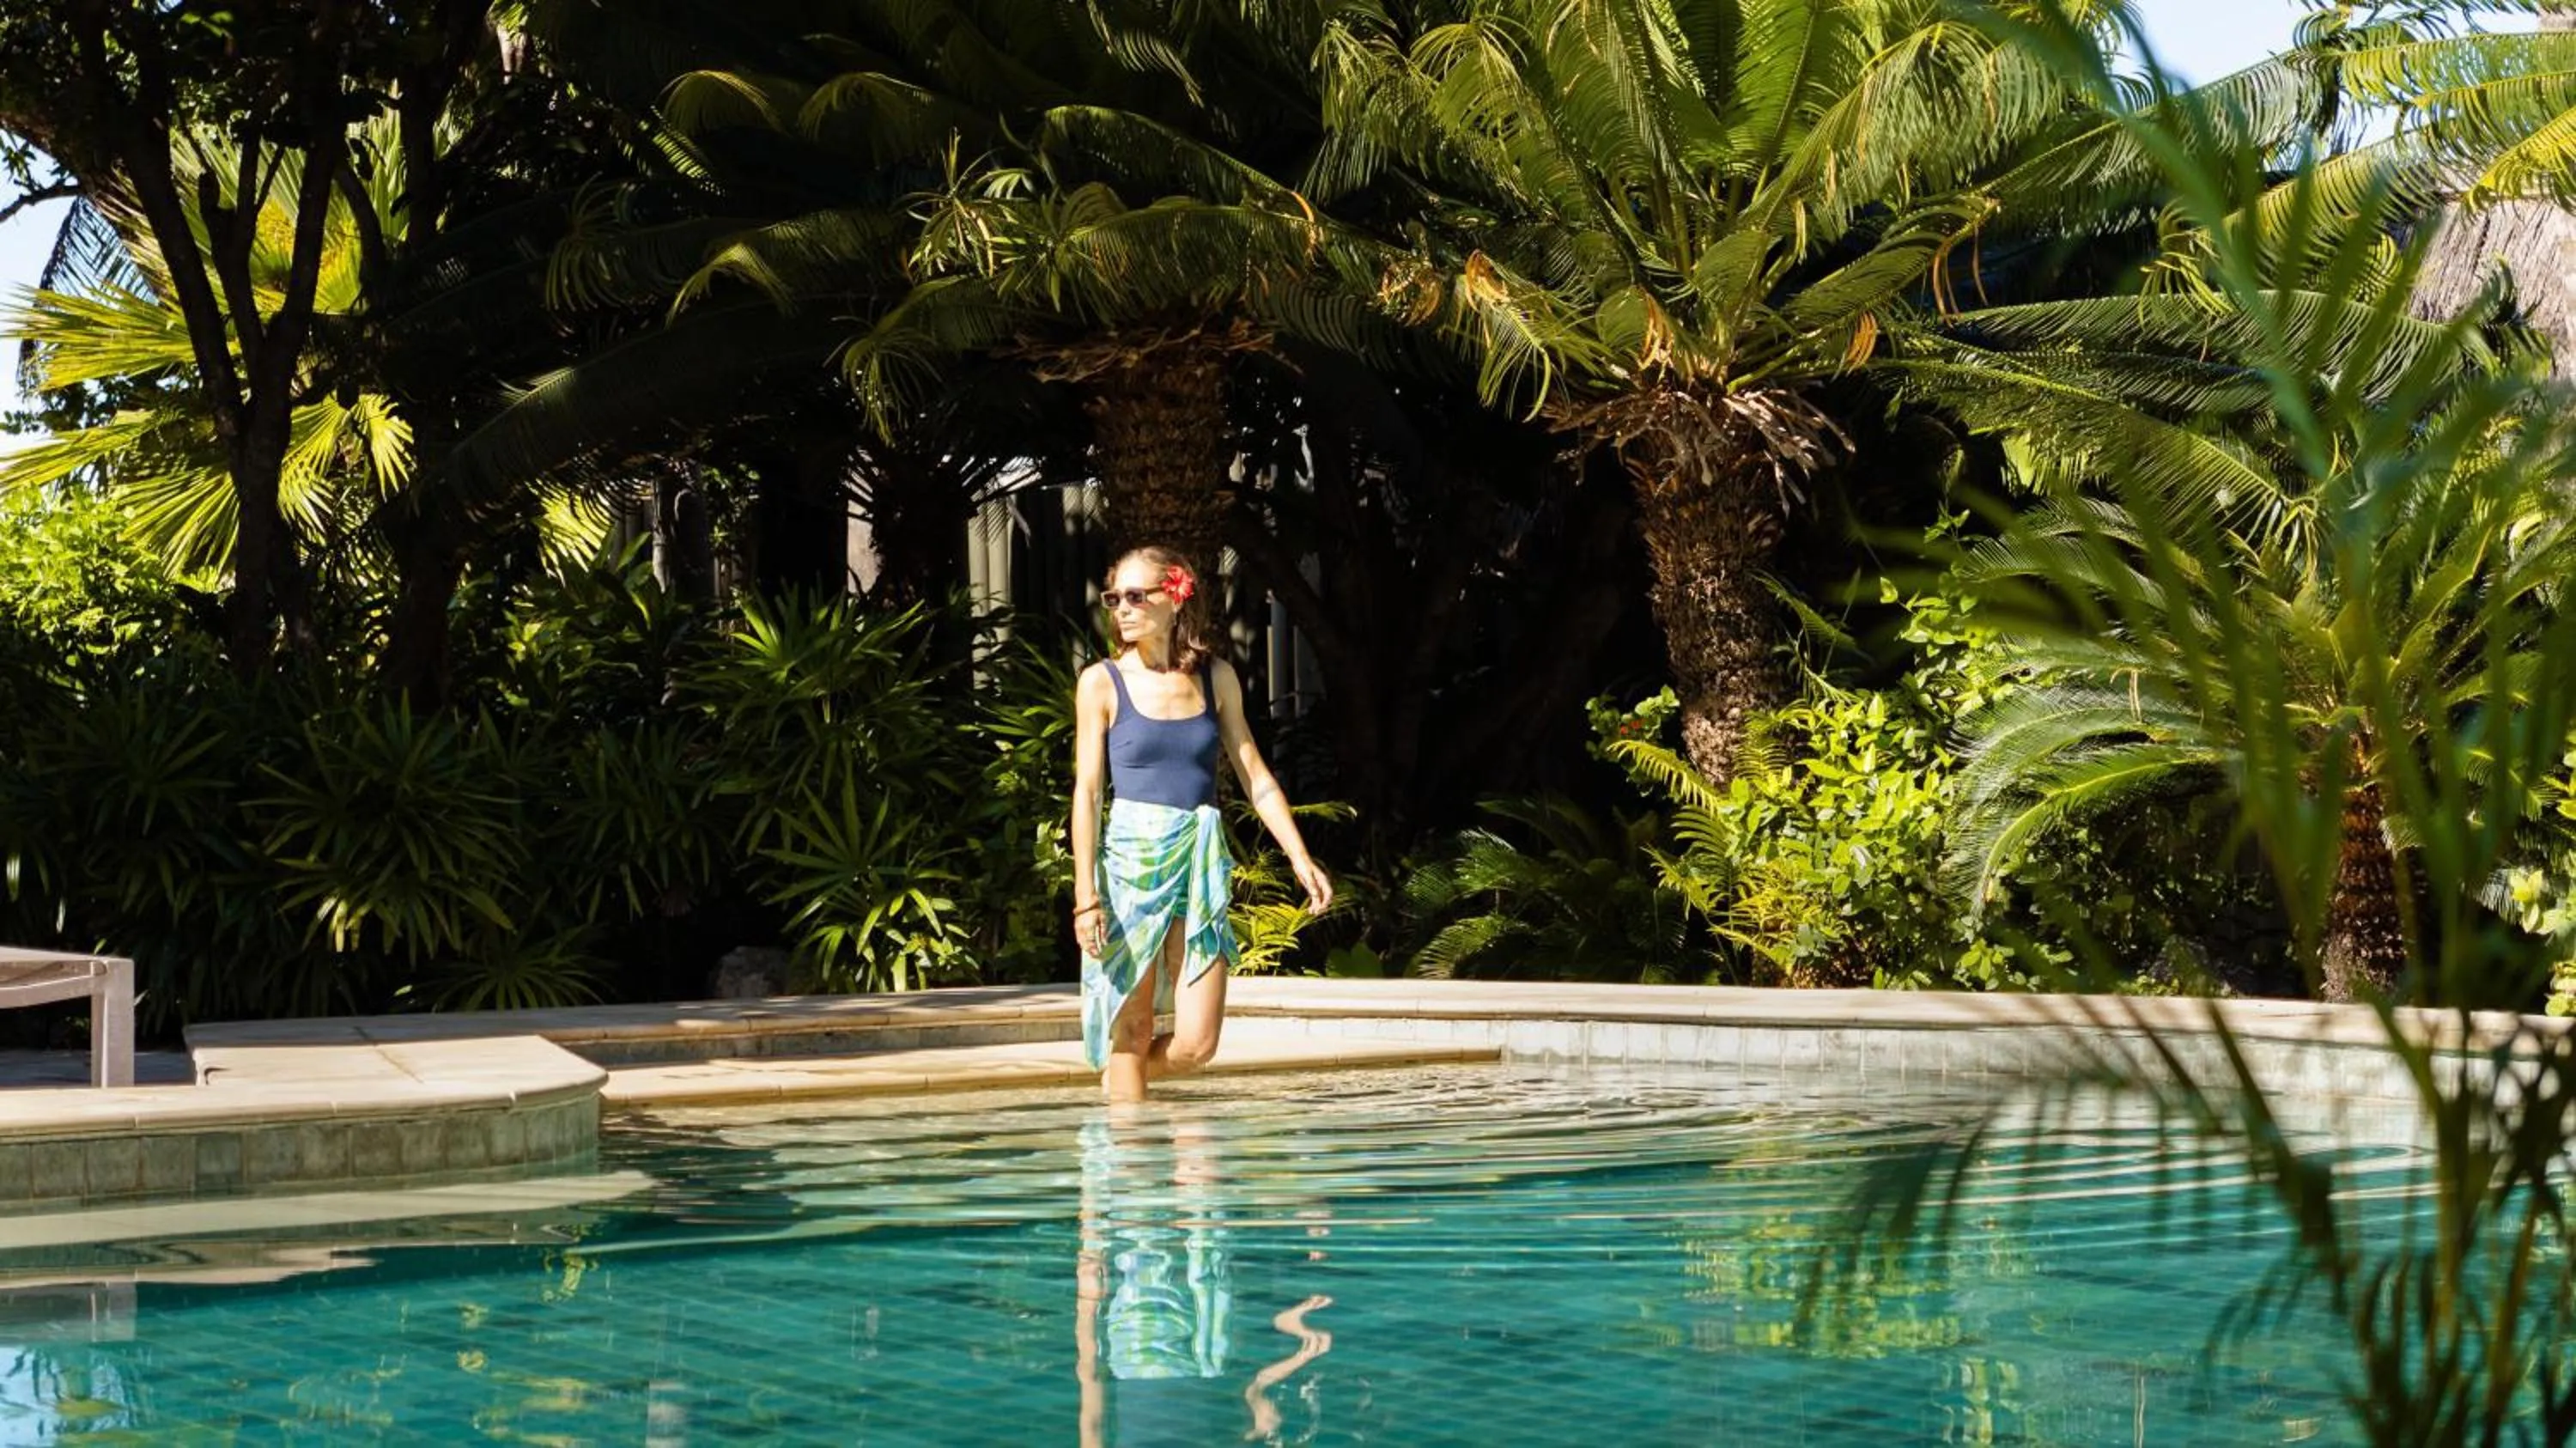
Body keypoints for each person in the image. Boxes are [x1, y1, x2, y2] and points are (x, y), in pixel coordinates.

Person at [1070, 545, 1332, 1103]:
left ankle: (1122, 1080)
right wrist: (1085, 896)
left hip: (1200, 866)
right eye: (1115, 598)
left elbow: (1255, 776)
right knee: (1134, 1031)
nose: (1122, 609)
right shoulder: (1101, 683)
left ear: (1176, 598)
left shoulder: (1217, 678)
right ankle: (1128, 1163)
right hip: (1130, 872)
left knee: (1196, 1044)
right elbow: (1089, 792)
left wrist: (1299, 856)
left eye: (1138, 597)